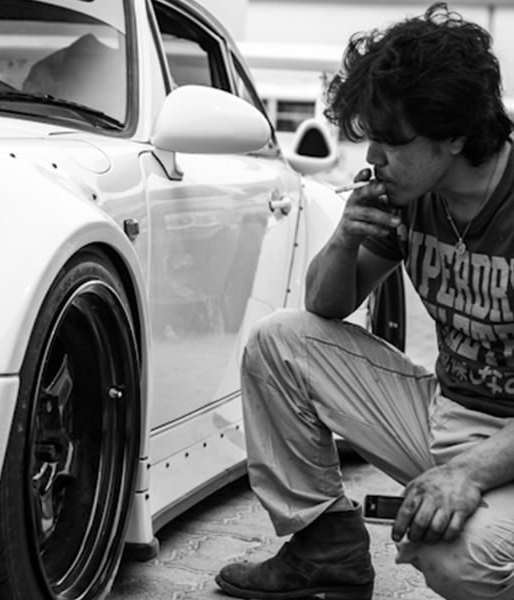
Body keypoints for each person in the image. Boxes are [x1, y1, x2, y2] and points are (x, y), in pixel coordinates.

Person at [215, 3, 514, 599]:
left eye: (390, 142)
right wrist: (346, 237)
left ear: (455, 133)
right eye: (368, 139)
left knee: (462, 560)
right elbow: (324, 308)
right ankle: (326, 551)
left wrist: (468, 474)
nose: (372, 158)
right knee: (282, 339)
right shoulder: (407, 195)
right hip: (444, 414)